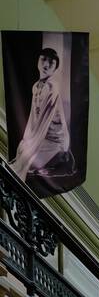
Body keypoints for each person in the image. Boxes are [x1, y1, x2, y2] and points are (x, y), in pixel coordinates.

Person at [10, 48, 76, 192]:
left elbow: (43, 123)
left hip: (56, 141)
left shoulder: (52, 88)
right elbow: (34, 118)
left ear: (55, 67)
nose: (46, 64)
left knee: (27, 161)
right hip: (42, 135)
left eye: (51, 62)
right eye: (43, 59)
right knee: (21, 149)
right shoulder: (36, 86)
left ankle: (61, 159)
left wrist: (30, 148)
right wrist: (26, 140)